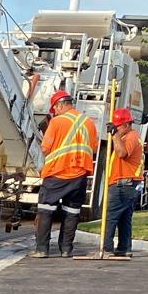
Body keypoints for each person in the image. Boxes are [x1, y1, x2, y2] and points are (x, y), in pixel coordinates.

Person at [34, 90, 98, 258]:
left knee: (46, 210)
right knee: (72, 212)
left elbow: (45, 148)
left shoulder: (56, 122)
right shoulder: (89, 123)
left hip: (57, 173)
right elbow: (94, 148)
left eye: (54, 108)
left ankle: (42, 249)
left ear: (60, 105)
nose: (54, 112)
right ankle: (66, 249)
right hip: (79, 175)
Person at [103, 107, 142, 260]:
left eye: (117, 126)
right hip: (128, 184)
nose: (116, 129)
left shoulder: (131, 137)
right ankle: (124, 248)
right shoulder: (130, 136)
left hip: (123, 184)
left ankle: (106, 248)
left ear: (126, 125)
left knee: (111, 217)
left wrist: (114, 135)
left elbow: (122, 153)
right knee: (124, 218)